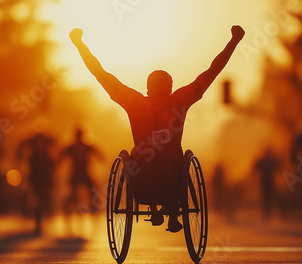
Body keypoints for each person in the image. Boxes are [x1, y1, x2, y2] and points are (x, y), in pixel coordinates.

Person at [70, 25, 245, 232]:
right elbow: (212, 71)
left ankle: (155, 208)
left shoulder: (135, 102)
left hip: (142, 178)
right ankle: (171, 209)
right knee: (173, 157)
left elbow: (100, 74)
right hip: (173, 174)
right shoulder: (179, 100)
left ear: (147, 88)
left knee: (141, 157)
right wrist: (234, 41)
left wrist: (79, 44)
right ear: (170, 88)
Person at [17, 131, 56, 235]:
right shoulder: (32, 141)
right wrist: (19, 158)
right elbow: (21, 145)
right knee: (32, 193)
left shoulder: (47, 141)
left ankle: (46, 211)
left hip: (44, 175)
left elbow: (57, 146)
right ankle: (26, 210)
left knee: (44, 194)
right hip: (36, 175)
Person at [59, 128, 103, 214]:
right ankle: (92, 207)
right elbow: (61, 156)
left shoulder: (77, 146)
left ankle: (93, 207)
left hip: (82, 174)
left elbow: (61, 156)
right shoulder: (78, 146)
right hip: (77, 174)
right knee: (90, 190)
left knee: (93, 190)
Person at [254, 148, 280, 222]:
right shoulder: (263, 161)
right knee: (265, 197)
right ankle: (266, 213)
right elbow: (255, 170)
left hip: (269, 181)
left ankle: (267, 213)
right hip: (265, 181)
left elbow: (278, 169)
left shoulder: (271, 161)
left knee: (268, 197)